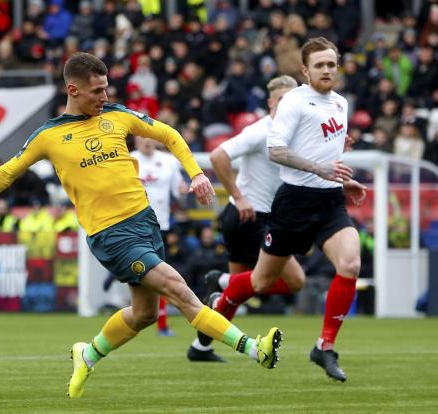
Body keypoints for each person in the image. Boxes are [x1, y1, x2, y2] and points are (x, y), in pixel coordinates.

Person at [0, 52, 283, 399]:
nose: (105, 96)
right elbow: (5, 174)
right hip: (112, 235)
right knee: (178, 289)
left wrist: (196, 174)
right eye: (97, 91)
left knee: (143, 314)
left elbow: (170, 135)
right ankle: (254, 349)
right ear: (73, 90)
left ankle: (89, 353)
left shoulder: (118, 116)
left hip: (145, 223)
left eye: (106, 88)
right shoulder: (48, 136)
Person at [201, 37, 366, 382]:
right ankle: (224, 287)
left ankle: (325, 347)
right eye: (319, 65)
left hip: (330, 202)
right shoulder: (293, 101)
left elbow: (326, 154)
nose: (326, 70)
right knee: (262, 281)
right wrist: (321, 170)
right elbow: (276, 150)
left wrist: (343, 181)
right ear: (305, 70)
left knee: (350, 263)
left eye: (331, 64)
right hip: (293, 203)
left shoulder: (340, 104)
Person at [186, 75, 304, 362]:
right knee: (295, 281)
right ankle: (222, 280)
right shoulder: (262, 131)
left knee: (237, 294)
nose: (288, 105)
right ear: (271, 103)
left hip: (249, 219)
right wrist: (238, 196)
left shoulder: (295, 133)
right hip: (250, 217)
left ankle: (200, 347)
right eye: (282, 100)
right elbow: (217, 156)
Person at [104, 135, 187, 336]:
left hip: (160, 225)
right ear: (136, 140)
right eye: (141, 137)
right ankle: (150, 318)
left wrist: (184, 191)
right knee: (150, 274)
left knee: (159, 275)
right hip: (132, 225)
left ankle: (159, 322)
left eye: (149, 137)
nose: (146, 141)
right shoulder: (126, 159)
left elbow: (178, 191)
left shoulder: (169, 161)